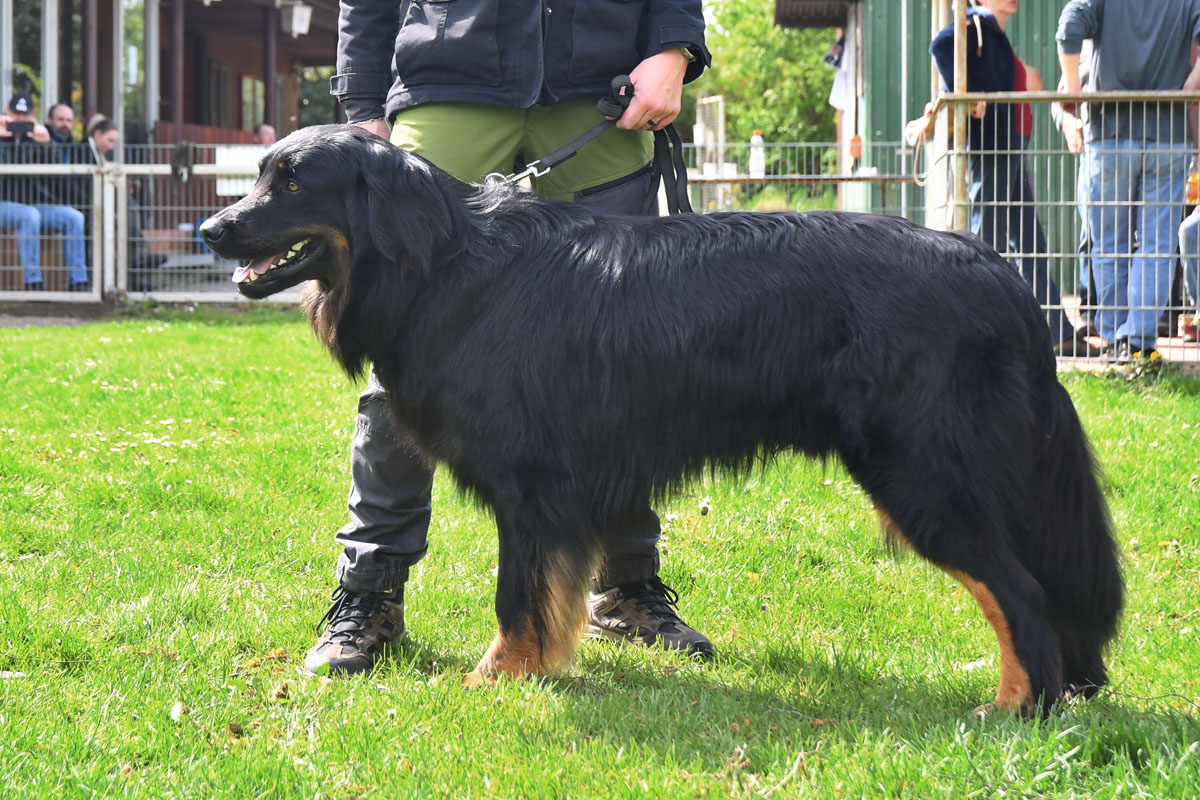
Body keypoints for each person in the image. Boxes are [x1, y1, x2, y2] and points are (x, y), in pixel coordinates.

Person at [306, 0, 711, 677]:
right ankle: (369, 594)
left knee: (624, 359)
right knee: (404, 357)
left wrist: (674, 50)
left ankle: (627, 585)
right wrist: (361, 104)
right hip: (449, 85)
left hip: (603, 90)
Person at [931, 0, 1097, 357]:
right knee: (984, 240)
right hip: (993, 147)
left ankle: (1057, 332)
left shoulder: (992, 33)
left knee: (1028, 243)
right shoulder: (976, 24)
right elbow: (940, 46)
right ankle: (970, 329)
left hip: (1008, 147)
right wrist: (969, 91)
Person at [1058, 0, 1200, 359]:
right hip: (1168, 133)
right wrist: (1188, 88)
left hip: (1109, 134)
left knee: (1108, 244)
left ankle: (1114, 338)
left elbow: (1069, 24)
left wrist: (1073, 88)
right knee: (1158, 245)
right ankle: (1139, 342)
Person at [0, 92, 90, 291]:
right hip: (5, 206)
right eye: (16, 114)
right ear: (6, 113)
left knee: (73, 217)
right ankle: (33, 282)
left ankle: (79, 282)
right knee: (29, 215)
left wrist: (48, 145)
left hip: (35, 206)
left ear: (33, 116)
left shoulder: (38, 138)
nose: (20, 120)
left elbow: (58, 172)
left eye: (25, 115)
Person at [1051, 40, 1098, 336]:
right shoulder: (1087, 40)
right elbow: (1060, 99)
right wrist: (1068, 121)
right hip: (1096, 149)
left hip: (1168, 147)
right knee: (1091, 233)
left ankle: (1162, 315)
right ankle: (1091, 310)